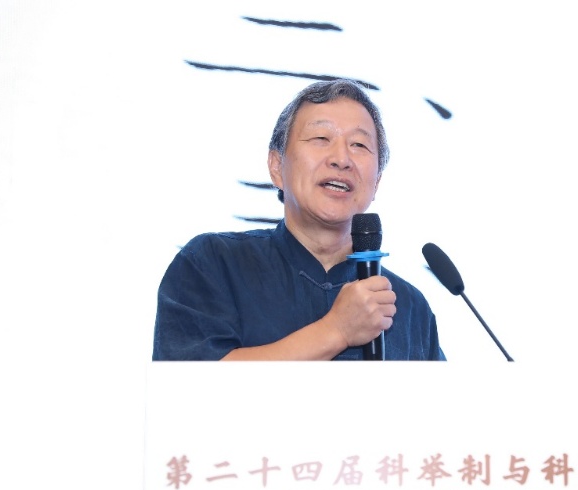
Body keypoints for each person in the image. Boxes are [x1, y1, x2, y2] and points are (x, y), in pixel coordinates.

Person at [152, 79, 445, 361]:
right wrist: (337, 330)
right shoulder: (213, 264)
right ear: (276, 167)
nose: (341, 159)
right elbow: (190, 387)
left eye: (359, 145)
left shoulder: (410, 307)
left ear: (377, 181)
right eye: (321, 138)